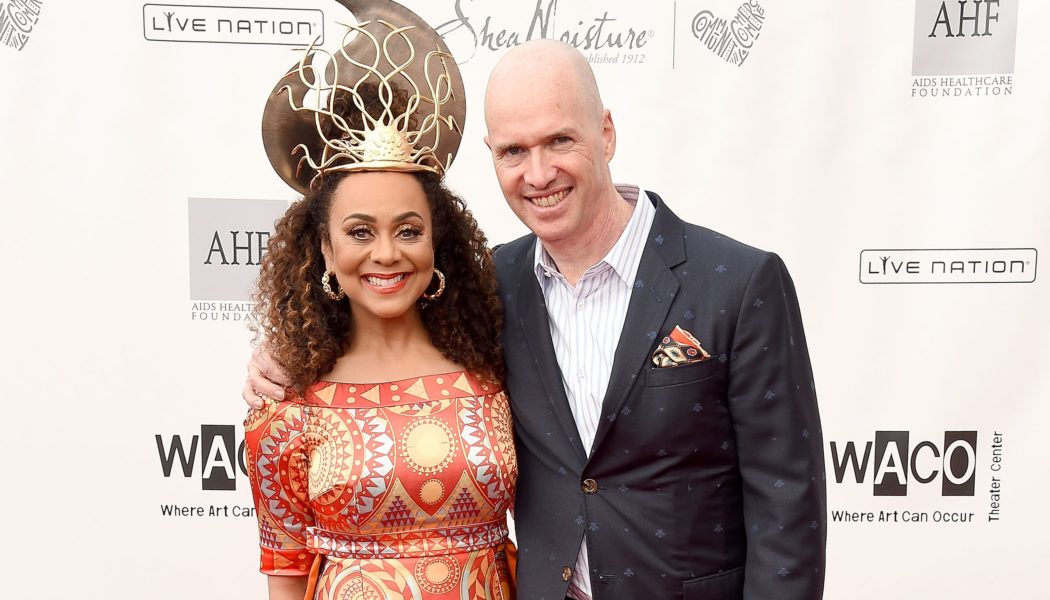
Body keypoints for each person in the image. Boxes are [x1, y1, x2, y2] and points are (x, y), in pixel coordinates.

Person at [248, 38, 826, 600]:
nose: (539, 173)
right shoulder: (494, 288)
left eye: (560, 140)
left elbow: (788, 505)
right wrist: (282, 357)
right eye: (513, 151)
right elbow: (378, 313)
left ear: (606, 132)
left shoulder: (736, 283)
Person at [244, 7, 516, 599]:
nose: (387, 254)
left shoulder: (497, 368)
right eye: (360, 231)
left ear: (438, 243)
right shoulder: (287, 407)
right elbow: (285, 578)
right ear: (325, 248)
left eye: (409, 230)